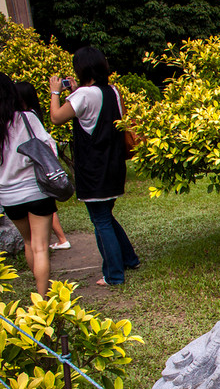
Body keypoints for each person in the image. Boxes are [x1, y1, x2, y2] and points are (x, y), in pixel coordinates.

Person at [49, 46, 140, 285]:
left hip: (93, 169)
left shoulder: (82, 95)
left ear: (81, 68)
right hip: (113, 165)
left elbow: (56, 118)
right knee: (105, 216)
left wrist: (55, 92)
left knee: (100, 220)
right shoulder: (112, 91)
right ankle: (129, 259)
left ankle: (114, 275)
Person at [0, 73, 56, 296]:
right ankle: (42, 302)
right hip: (36, 190)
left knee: (29, 242)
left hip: (8, 195)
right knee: (41, 247)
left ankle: (39, 291)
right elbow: (49, 147)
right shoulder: (26, 118)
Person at [14, 81, 70, 251]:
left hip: (17, 189)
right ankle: (61, 239)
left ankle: (62, 239)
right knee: (39, 246)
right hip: (35, 185)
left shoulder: (22, 118)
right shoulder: (32, 116)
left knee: (31, 243)